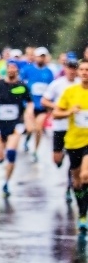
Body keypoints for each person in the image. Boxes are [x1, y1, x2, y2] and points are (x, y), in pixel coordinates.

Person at [0, 60, 33, 197]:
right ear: (6, 69)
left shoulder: (22, 86)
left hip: (15, 124)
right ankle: (0, 158)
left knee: (11, 153)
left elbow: (29, 102)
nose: (11, 70)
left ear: (17, 70)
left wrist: (29, 114)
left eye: (14, 68)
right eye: (9, 68)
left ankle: (6, 182)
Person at [53, 60, 88, 232]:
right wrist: (69, 112)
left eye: (87, 69)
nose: (84, 72)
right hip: (74, 140)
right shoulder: (70, 91)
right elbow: (56, 113)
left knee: (85, 175)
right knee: (77, 181)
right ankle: (82, 211)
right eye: (82, 69)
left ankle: (84, 212)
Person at [43, 56, 80, 203]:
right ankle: (62, 156)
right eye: (69, 68)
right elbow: (44, 100)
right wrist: (58, 108)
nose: (72, 71)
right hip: (59, 126)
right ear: (65, 69)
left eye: (74, 68)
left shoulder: (81, 85)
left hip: (75, 127)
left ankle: (69, 188)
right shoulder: (57, 84)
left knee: (73, 162)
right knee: (57, 160)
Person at [21, 46, 55, 161]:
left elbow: (52, 89)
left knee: (39, 128)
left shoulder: (49, 72)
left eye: (43, 56)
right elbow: (20, 85)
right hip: (29, 104)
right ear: (35, 57)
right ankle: (26, 140)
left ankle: (35, 151)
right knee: (30, 129)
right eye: (40, 56)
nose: (41, 58)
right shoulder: (27, 70)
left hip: (42, 106)